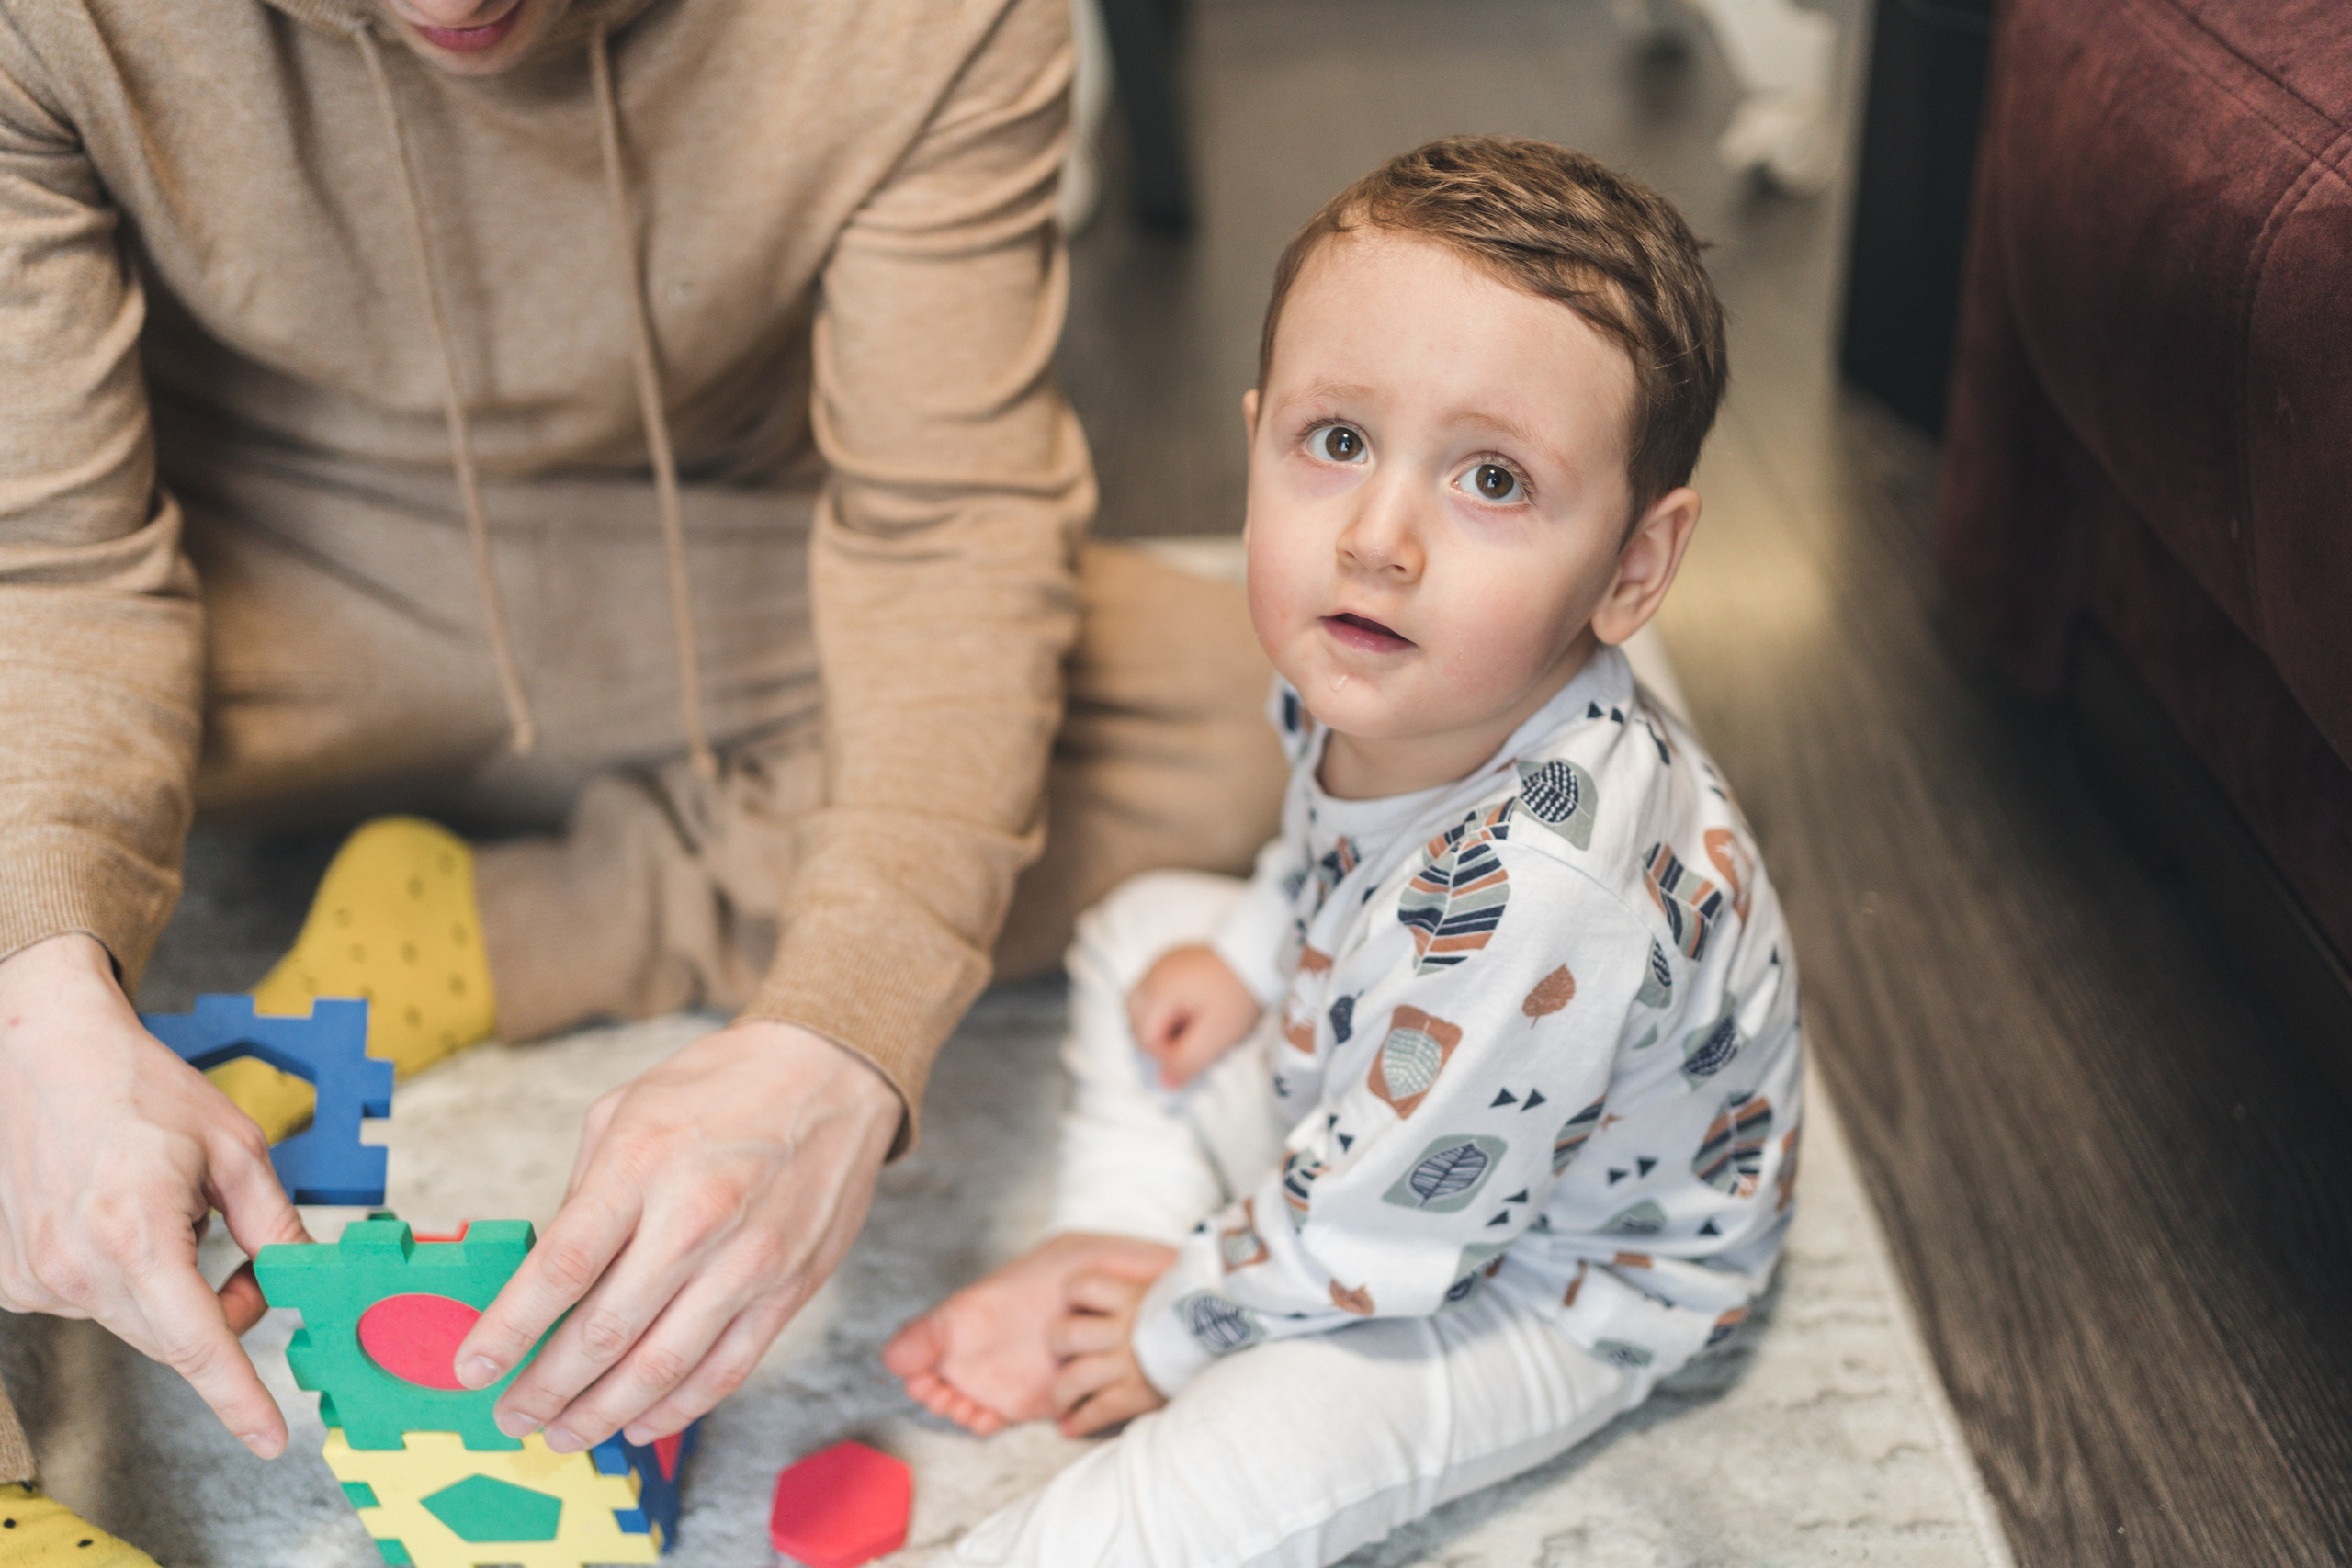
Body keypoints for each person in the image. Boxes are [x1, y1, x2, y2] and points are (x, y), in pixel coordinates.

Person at [0, 0, 1283, 1552]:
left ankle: (496, 927)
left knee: (1261, 712)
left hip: (709, 575)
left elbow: (946, 537)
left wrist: (843, 1045)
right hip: (241, 586)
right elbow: (54, 560)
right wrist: (43, 985)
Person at [885, 136, 1806, 1565]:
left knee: (1259, 1449)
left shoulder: (1541, 900)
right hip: (1407, 1074)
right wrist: (1260, 946)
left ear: (1634, 564)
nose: (1378, 537)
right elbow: (1325, 843)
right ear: (1258, 438)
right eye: (1335, 443)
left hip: (1555, 1272)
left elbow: (1384, 1242)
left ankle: (1133, 1327)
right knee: (1145, 934)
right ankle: (1113, 1242)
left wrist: (1184, 1333)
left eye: (1492, 480)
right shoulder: (1375, 659)